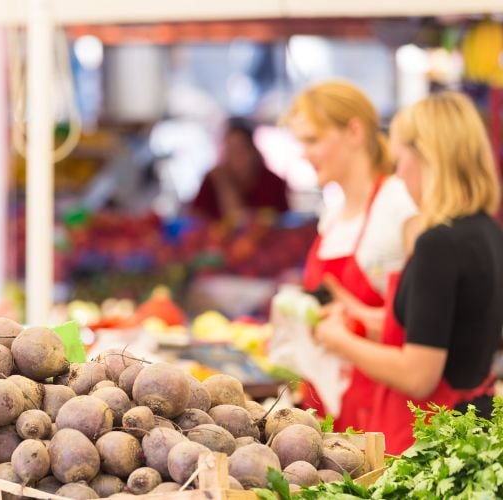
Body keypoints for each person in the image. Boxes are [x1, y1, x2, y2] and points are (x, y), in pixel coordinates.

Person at [316, 91, 503, 453]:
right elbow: (448, 327)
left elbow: (418, 375)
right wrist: (364, 316)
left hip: (431, 439)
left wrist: (340, 341)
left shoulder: (439, 243)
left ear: (427, 158)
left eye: (401, 159)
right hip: (471, 431)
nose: (398, 173)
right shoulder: (486, 231)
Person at [284, 80, 419, 431]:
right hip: (333, 404)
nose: (304, 153)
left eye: (312, 140)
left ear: (354, 132)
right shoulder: (333, 215)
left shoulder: (399, 204)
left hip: (389, 411)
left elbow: (423, 322)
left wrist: (355, 322)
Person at [191, 117, 289, 223]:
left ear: (253, 151)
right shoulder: (212, 179)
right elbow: (195, 221)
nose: (234, 157)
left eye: (240, 150)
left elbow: (244, 223)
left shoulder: (273, 182)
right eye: (230, 150)